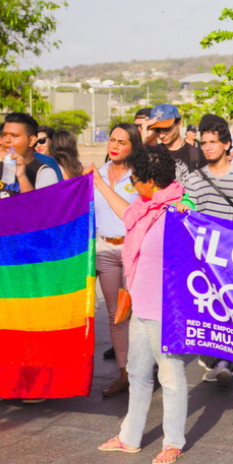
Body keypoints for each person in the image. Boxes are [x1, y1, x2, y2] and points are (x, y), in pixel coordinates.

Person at [97, 144, 188, 464]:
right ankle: (129, 437)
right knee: (137, 372)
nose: (132, 184)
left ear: (151, 181)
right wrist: (97, 182)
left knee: (171, 376)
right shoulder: (145, 207)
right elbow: (125, 211)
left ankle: (173, 441)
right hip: (138, 305)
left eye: (135, 179)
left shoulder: (180, 212)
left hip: (166, 311)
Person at [183, 115, 233, 386]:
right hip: (203, 252)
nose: (207, 147)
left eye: (213, 142)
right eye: (204, 143)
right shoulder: (194, 176)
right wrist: (185, 205)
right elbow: (189, 203)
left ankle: (228, 361)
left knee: (230, 307)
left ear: (227, 144)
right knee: (209, 307)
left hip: (232, 251)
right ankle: (218, 356)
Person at [90, 123, 143, 396]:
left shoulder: (140, 178)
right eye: (112, 140)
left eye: (122, 142)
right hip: (104, 252)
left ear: (133, 147)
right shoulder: (94, 175)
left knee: (138, 315)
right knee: (116, 315)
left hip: (134, 252)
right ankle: (124, 374)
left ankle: (142, 370)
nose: (115, 146)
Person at [0, 112, 60, 200]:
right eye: (4, 135)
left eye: (14, 136)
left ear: (32, 141)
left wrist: (22, 176)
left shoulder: (43, 173)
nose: (6, 140)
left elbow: (42, 208)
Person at [146, 104, 203, 174]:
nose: (161, 135)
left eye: (166, 129)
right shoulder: (151, 155)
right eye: (157, 130)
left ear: (179, 124)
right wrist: (144, 138)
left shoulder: (197, 155)